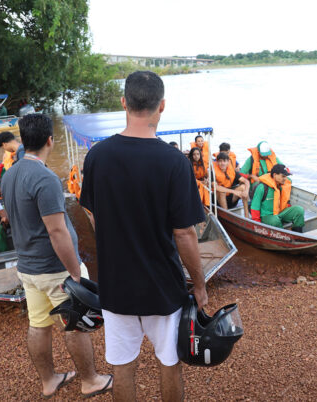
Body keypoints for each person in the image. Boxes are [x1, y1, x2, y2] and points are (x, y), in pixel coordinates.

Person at [79, 71, 208, 401]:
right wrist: (200, 284)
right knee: (170, 363)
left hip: (116, 284)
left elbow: (92, 213)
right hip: (163, 286)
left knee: (123, 366)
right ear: (161, 106)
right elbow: (185, 234)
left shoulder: (97, 156)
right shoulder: (174, 162)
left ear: (124, 102)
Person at [1, 114, 113, 399]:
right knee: (75, 326)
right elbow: (57, 230)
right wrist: (74, 272)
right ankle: (90, 380)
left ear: (23, 141)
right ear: (50, 140)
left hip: (28, 267)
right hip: (54, 269)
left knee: (38, 325)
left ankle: (49, 381)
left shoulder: (10, 174)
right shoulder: (45, 178)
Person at [250, 164, 304, 232]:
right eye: (283, 176)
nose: (285, 179)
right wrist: (257, 225)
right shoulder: (262, 187)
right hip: (266, 216)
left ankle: (297, 233)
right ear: (275, 175)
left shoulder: (281, 186)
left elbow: (286, 202)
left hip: (279, 214)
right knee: (275, 220)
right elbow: (255, 207)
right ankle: (284, 235)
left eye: (286, 176)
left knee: (299, 210)